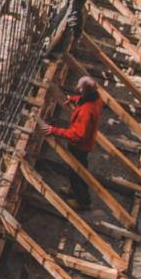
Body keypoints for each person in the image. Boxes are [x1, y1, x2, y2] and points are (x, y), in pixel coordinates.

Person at [37, 76, 102, 211]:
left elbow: (78, 135)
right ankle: (73, 190)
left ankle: (83, 202)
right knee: (75, 170)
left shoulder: (86, 112)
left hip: (80, 146)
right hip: (85, 143)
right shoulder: (95, 98)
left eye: (80, 88)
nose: (77, 88)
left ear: (84, 90)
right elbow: (84, 101)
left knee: (77, 173)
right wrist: (74, 99)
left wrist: (53, 130)